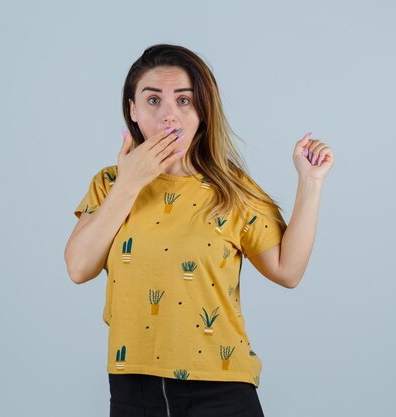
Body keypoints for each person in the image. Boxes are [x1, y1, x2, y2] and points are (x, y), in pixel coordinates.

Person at [64, 44, 333, 417]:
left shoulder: (232, 188)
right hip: (133, 387)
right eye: (153, 100)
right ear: (133, 110)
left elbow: (288, 271)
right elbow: (78, 268)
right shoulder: (108, 184)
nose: (168, 116)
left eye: (184, 101)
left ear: (202, 112)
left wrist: (311, 182)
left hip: (222, 389)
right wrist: (129, 184)